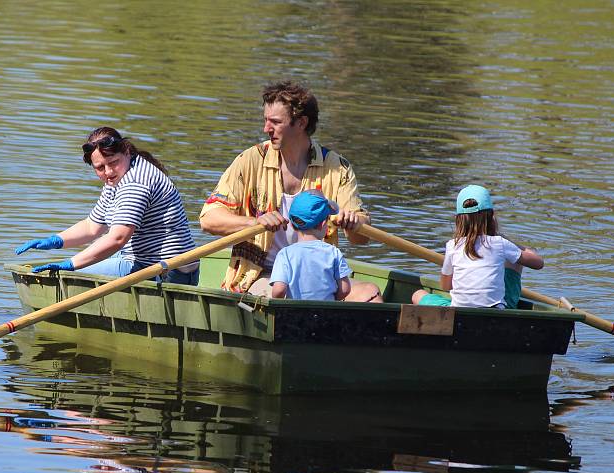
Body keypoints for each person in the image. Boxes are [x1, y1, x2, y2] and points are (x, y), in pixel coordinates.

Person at [199, 80, 381, 302]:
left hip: (320, 276)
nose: (266, 129)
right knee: (285, 300)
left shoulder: (337, 167)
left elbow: (360, 240)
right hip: (262, 275)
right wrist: (254, 223)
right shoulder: (249, 160)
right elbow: (208, 219)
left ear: (301, 123)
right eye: (266, 120)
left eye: (275, 122)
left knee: (371, 295)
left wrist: (354, 223)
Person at [15, 126, 199, 285]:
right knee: (81, 264)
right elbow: (92, 226)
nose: (108, 172)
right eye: (100, 167)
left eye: (113, 163)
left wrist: (70, 265)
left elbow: (117, 239)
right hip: (144, 262)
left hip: (166, 272)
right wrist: (54, 241)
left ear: (126, 152)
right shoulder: (119, 177)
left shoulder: (135, 183)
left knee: (64, 276)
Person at [411, 184, 544, 308]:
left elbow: (446, 286)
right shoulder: (500, 243)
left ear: (458, 220)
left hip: (457, 313)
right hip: (496, 311)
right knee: (515, 258)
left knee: (417, 295)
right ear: (492, 216)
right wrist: (509, 242)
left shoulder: (452, 245)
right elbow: (539, 263)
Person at [270, 190, 352, 301]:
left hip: (295, 315)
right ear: (323, 224)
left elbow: (279, 290)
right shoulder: (333, 252)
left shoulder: (285, 254)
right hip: (326, 314)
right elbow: (345, 289)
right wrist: (332, 301)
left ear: (293, 226)